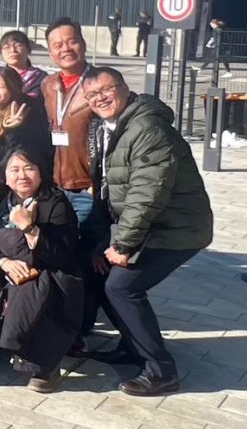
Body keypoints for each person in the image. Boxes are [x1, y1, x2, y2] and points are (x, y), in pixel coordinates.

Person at [81, 67, 214, 396]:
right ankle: (133, 347)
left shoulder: (147, 127)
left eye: (106, 90)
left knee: (122, 287)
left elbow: (147, 193)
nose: (100, 98)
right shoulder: (107, 126)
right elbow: (108, 189)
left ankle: (160, 370)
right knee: (102, 275)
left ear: (124, 88)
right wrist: (105, 241)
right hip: (149, 225)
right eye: (92, 95)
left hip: (176, 227)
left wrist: (123, 245)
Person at [0, 149, 83, 393]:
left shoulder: (56, 203)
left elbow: (61, 255)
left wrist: (29, 228)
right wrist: (3, 261)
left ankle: (45, 364)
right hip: (4, 270)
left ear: (41, 173)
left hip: (47, 271)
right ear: (5, 177)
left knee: (33, 293)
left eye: (29, 168)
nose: (22, 175)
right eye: (14, 170)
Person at [40, 18, 101, 243]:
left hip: (88, 188)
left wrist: (98, 182)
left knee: (88, 251)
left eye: (71, 41)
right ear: (50, 53)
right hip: (56, 187)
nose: (65, 49)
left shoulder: (100, 82)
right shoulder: (48, 85)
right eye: (58, 45)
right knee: (60, 248)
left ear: (83, 44)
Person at [0, 66, 52, 169]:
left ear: (13, 89)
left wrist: (13, 131)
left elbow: (27, 153)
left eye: (1, 87)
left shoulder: (29, 111)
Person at [0, 30, 47, 99]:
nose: (13, 50)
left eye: (18, 45)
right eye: (7, 47)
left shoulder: (42, 78)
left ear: (28, 49)